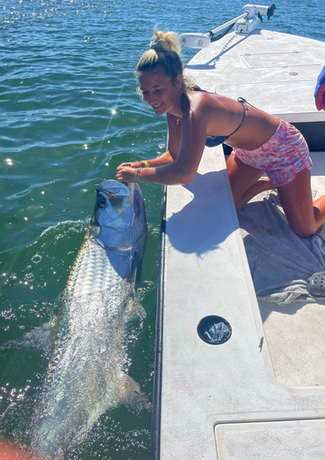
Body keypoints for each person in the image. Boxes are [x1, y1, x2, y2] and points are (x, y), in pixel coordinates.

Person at [116, 27, 325, 238]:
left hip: (284, 149)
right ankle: (270, 183)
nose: (151, 99)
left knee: (305, 229)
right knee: (224, 208)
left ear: (177, 81)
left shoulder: (196, 109)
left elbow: (185, 173)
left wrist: (138, 175)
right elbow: (173, 155)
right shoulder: (172, 107)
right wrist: (141, 164)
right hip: (249, 153)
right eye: (146, 92)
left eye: (158, 90)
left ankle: (282, 181)